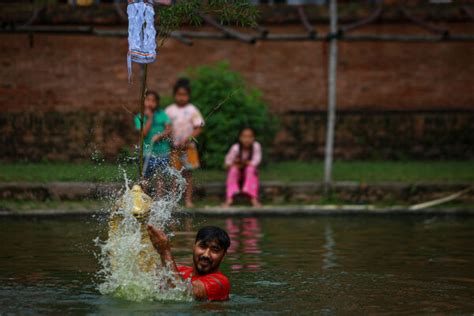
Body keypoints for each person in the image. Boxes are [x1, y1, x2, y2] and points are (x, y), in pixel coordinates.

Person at [147, 224, 231, 301]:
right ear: (193, 247)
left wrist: (165, 251)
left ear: (223, 255)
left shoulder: (220, 283)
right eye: (202, 246)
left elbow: (181, 294)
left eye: (215, 250)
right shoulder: (181, 270)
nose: (206, 255)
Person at [165, 78, 204, 208]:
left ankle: (188, 200)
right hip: (174, 148)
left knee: (188, 175)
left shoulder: (192, 110)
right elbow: (166, 128)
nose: (181, 98)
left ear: (189, 95)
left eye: (184, 95)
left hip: (188, 148)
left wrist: (188, 139)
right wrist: (170, 139)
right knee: (174, 175)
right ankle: (174, 201)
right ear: (174, 95)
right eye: (179, 95)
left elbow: (199, 127)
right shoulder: (169, 110)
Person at [134, 90, 171, 194]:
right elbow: (143, 134)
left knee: (160, 177)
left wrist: (160, 135)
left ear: (157, 102)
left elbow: (169, 129)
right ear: (143, 101)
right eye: (148, 100)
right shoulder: (139, 117)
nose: (150, 103)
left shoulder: (162, 114)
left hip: (162, 151)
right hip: (147, 152)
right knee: (145, 176)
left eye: (153, 100)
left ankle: (158, 199)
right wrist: (150, 118)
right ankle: (144, 198)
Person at [223, 127, 262, 208]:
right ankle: (229, 198)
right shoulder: (235, 148)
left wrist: (243, 163)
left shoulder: (256, 146)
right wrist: (236, 164)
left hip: (250, 173)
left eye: (249, 137)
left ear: (253, 138)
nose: (247, 139)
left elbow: (256, 161)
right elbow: (227, 162)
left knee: (250, 169)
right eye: (244, 137)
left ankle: (253, 198)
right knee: (233, 170)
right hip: (237, 173)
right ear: (240, 138)